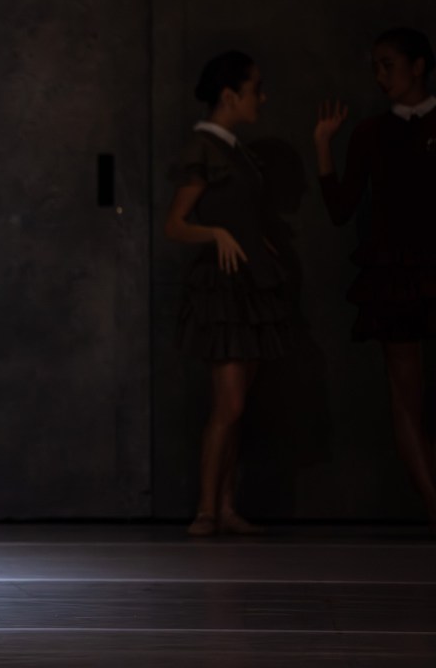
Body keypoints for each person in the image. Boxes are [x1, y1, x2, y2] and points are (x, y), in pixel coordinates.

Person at [313, 27, 436, 529]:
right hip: (395, 273)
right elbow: (341, 209)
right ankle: (434, 505)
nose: (381, 75)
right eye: (376, 67)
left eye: (389, 64)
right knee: (404, 395)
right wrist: (323, 145)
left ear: (418, 66)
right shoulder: (369, 133)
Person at [165, 51, 289, 536]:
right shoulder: (203, 148)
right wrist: (215, 233)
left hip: (251, 286)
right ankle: (206, 508)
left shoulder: (236, 150)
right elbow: (175, 224)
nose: (262, 96)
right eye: (255, 87)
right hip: (223, 291)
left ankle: (227, 504)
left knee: (241, 404)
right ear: (229, 95)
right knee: (229, 402)